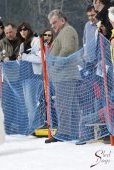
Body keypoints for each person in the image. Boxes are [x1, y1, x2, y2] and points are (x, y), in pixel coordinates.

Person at [45, 9, 81, 143]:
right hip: (64, 76)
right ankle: (73, 132)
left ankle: (64, 133)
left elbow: (68, 49)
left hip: (65, 76)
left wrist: (56, 65)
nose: (52, 25)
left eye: (54, 22)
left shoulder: (67, 30)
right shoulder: (62, 32)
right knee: (71, 105)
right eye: (51, 23)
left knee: (63, 105)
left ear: (63, 20)